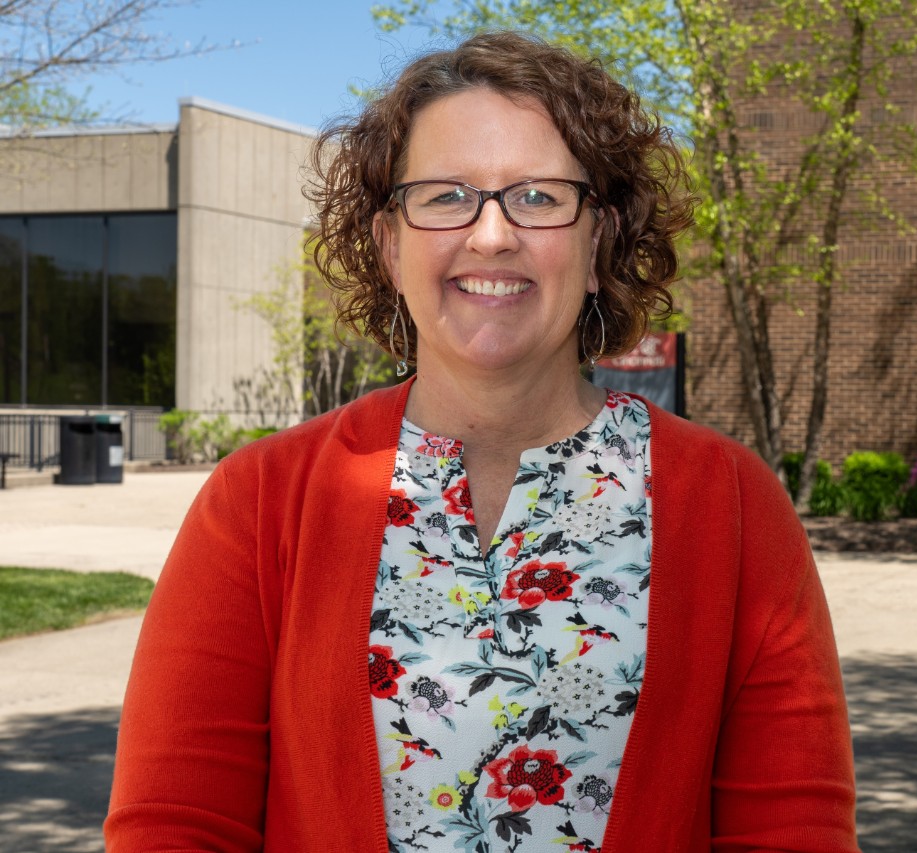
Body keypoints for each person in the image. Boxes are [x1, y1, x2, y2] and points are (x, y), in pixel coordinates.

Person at [106, 31, 857, 853]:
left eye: (538, 197)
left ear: (600, 239)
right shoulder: (259, 500)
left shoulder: (731, 503)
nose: (492, 235)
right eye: (444, 195)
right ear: (390, 244)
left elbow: (794, 831)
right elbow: (175, 826)